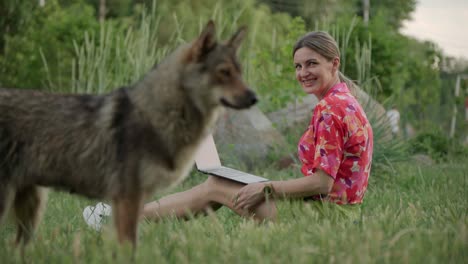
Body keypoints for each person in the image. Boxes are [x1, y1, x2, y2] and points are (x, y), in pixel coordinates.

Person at [83, 31, 373, 228]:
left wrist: (267, 187)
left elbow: (322, 184)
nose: (303, 73)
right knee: (217, 184)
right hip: (341, 212)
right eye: (298, 66)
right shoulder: (345, 101)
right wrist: (263, 184)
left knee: (215, 187)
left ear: (334, 63)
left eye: (312, 64)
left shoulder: (330, 109)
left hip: (325, 217)